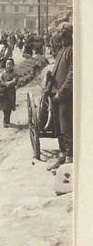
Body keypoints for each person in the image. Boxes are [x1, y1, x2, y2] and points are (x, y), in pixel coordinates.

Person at [47, 22, 73, 171]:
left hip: (64, 97)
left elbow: (71, 76)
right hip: (55, 96)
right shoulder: (61, 51)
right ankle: (62, 156)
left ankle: (69, 159)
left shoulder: (72, 51)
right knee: (59, 129)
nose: (58, 37)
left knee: (66, 127)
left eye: (60, 34)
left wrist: (61, 93)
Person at [0, 58, 19, 127]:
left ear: (13, 65)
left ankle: (6, 120)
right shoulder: (3, 73)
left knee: (9, 107)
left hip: (10, 92)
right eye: (7, 64)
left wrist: (5, 83)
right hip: (4, 92)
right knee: (4, 107)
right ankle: (6, 119)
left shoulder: (15, 74)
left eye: (10, 64)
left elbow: (14, 82)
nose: (8, 66)